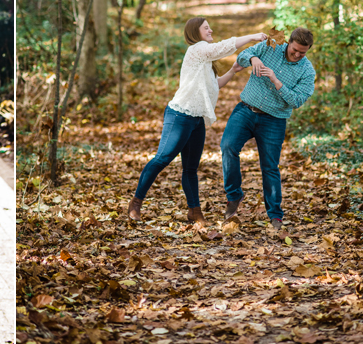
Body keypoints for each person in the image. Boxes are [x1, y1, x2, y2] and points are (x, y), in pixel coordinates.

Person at [127, 18, 267, 223]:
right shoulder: (197, 49)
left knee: (191, 168)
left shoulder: (205, 59)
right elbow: (223, 47)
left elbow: (214, 85)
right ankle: (136, 203)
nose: (211, 29)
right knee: (162, 159)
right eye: (206, 27)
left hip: (196, 119)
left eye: (210, 26)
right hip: (180, 115)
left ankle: (194, 212)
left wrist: (232, 71)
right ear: (195, 32)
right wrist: (252, 36)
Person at [220, 27, 316, 231]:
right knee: (228, 146)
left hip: (274, 120)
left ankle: (275, 215)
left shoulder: (307, 71)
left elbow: (297, 100)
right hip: (246, 110)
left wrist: (276, 80)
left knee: (270, 167)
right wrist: (253, 58)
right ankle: (234, 196)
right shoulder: (271, 46)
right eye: (295, 50)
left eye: (303, 52)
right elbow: (243, 55)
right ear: (289, 42)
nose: (297, 55)